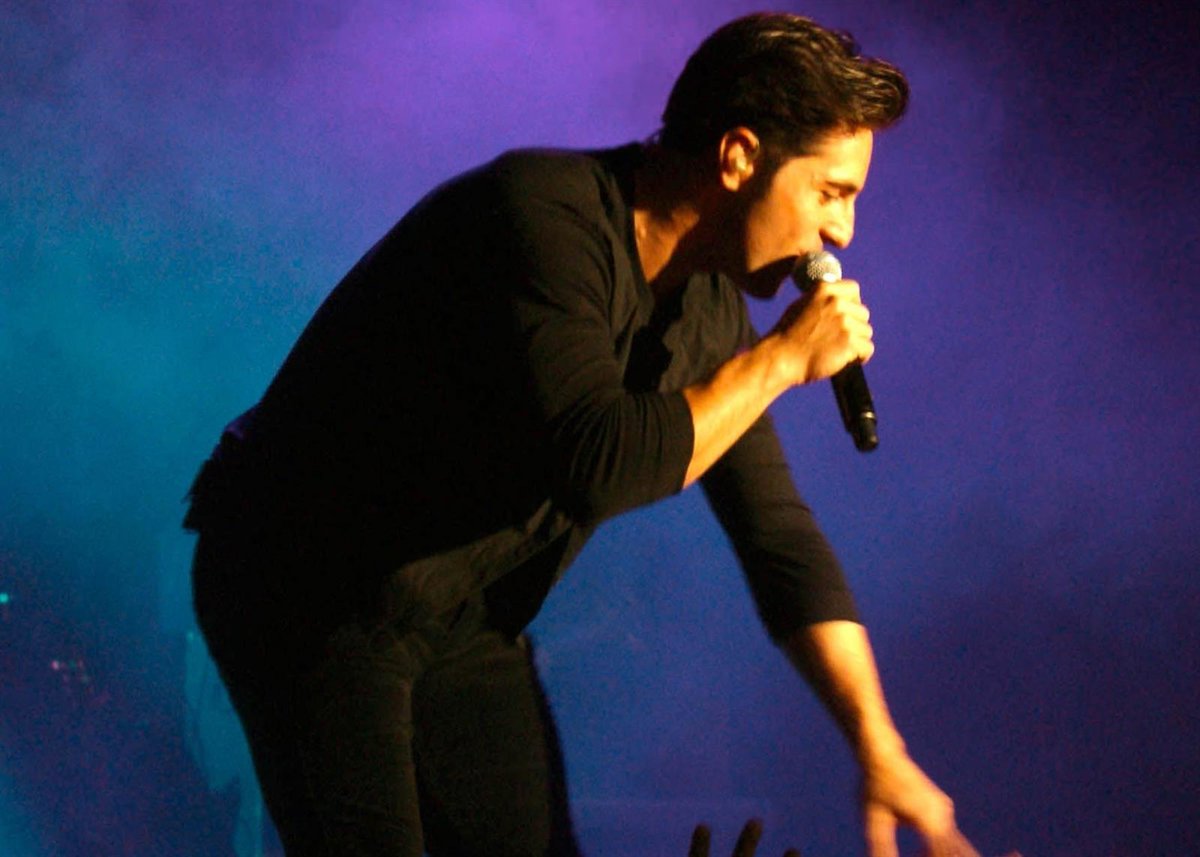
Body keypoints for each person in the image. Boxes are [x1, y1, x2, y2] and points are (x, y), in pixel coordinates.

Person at [185, 12, 983, 857]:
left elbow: (778, 537)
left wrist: (877, 745)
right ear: (739, 156)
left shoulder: (709, 310)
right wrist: (782, 360)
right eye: (831, 193)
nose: (843, 233)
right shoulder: (543, 217)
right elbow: (597, 457)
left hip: (462, 616)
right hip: (312, 579)